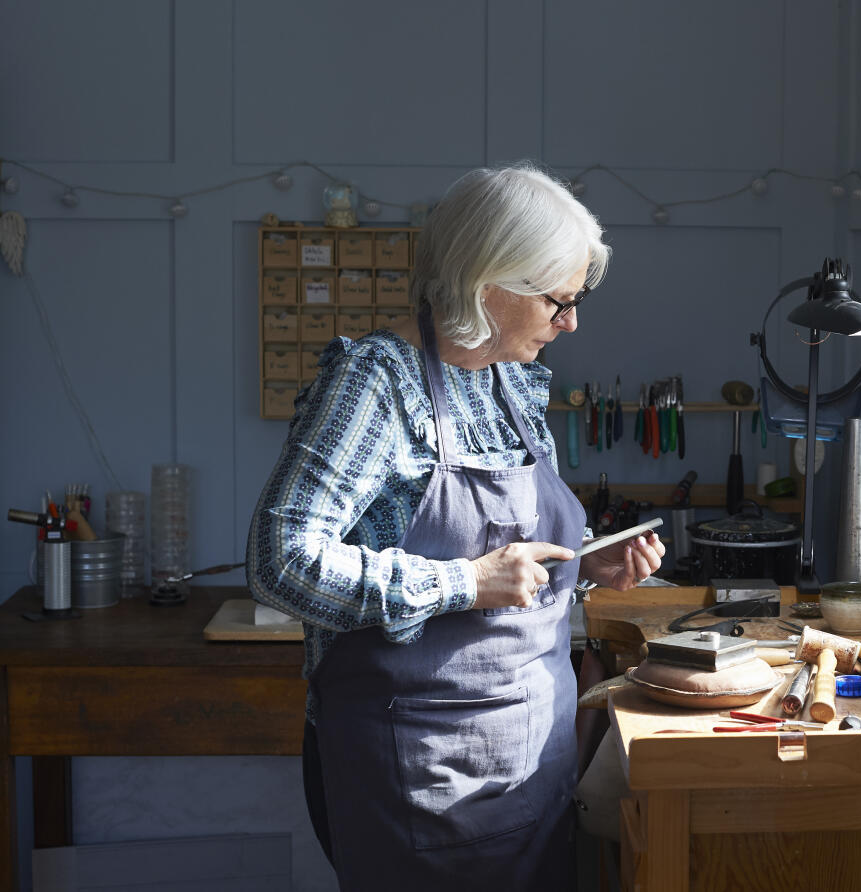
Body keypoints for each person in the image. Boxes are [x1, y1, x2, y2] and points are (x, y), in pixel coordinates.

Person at [246, 164, 664, 891]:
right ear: (488, 282)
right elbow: (279, 560)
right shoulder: (375, 384)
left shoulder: (508, 380)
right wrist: (465, 582)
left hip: (531, 771)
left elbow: (513, 567)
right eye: (559, 301)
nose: (572, 323)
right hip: (423, 786)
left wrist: (583, 565)